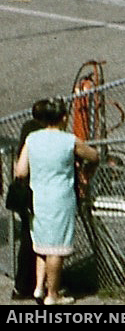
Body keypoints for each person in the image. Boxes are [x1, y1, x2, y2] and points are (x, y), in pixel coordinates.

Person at [12, 99, 98, 305]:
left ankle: (39, 288)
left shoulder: (32, 138)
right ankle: (53, 294)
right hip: (60, 198)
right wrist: (85, 173)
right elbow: (93, 156)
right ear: (63, 118)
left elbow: (21, 171)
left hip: (38, 197)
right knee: (57, 248)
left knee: (41, 244)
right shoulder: (69, 140)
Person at [7, 102, 50, 300]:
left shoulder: (27, 128)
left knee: (28, 236)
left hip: (25, 193)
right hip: (38, 191)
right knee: (38, 240)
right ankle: (35, 284)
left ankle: (24, 285)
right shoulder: (42, 134)